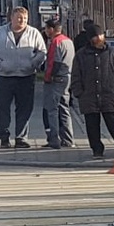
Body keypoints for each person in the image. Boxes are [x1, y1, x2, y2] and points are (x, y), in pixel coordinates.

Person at [71, 25, 114, 159]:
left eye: (100, 35)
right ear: (90, 39)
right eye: (95, 36)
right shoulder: (81, 54)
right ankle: (97, 149)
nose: (98, 38)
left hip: (109, 95)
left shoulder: (113, 53)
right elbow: (76, 75)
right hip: (89, 96)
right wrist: (79, 93)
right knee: (92, 126)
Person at [0, 7, 46, 148]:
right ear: (11, 18)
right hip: (4, 77)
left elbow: (42, 52)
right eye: (19, 18)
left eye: (24, 18)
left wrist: (33, 63)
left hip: (26, 76)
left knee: (25, 108)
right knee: (3, 108)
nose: (22, 21)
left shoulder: (33, 33)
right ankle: (4, 137)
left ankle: (21, 138)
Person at [41, 19, 75, 149]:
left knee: (52, 110)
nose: (45, 31)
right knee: (64, 108)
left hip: (56, 79)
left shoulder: (55, 42)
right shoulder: (68, 41)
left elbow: (53, 63)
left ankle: (54, 140)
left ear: (51, 29)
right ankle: (68, 139)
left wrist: (48, 77)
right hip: (67, 77)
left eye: (46, 28)